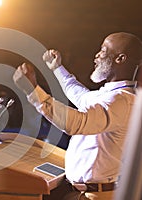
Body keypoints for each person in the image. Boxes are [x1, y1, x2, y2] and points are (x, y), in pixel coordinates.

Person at [13, 32, 142, 200]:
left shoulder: (122, 101)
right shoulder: (110, 95)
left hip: (95, 195)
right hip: (80, 193)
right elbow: (78, 94)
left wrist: (34, 92)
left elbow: (78, 123)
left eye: (103, 50)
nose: (97, 55)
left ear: (120, 59)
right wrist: (57, 68)